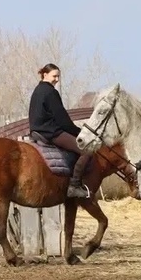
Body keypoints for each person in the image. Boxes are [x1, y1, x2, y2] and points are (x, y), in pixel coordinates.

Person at [28, 63, 94, 198]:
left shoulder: (37, 90)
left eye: (58, 77)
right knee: (86, 150)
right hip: (51, 132)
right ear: (45, 75)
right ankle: (74, 186)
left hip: (37, 130)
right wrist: (78, 132)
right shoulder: (51, 92)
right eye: (54, 76)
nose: (57, 80)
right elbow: (62, 119)